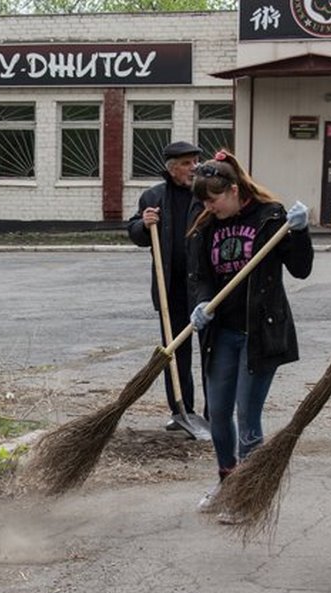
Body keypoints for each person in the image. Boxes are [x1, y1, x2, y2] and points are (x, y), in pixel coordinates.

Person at [187, 150, 311, 506]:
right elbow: (202, 277)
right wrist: (202, 303)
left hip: (260, 332)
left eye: (213, 200)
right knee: (219, 413)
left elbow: (301, 268)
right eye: (204, 203)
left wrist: (299, 232)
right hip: (221, 333)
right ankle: (228, 481)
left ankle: (249, 492)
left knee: (247, 414)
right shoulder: (207, 225)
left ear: (234, 189)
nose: (209, 208)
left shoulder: (270, 217)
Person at [127, 140, 204, 431]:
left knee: (210, 352)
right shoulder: (154, 197)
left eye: (196, 161)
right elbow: (135, 233)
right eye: (187, 163)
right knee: (176, 353)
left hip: (205, 289)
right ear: (172, 169)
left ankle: (214, 411)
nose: (193, 168)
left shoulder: (206, 194)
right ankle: (181, 410)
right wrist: (143, 224)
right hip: (170, 288)